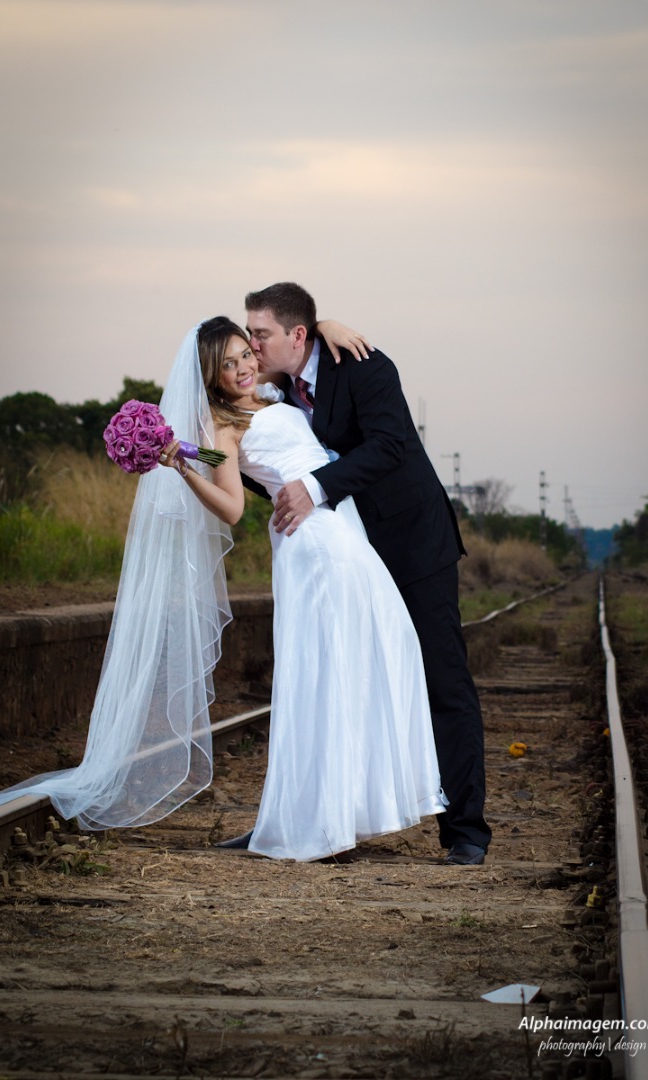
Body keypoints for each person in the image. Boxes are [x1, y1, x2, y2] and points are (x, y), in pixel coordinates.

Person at [161, 317, 446, 861]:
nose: (244, 366)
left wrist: (321, 323)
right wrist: (182, 466)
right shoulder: (223, 426)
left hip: (341, 527)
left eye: (246, 353)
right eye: (228, 364)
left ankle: (341, 806)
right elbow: (233, 502)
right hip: (312, 542)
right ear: (211, 377)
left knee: (375, 650)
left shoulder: (270, 398)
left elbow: (232, 460)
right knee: (324, 668)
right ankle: (316, 818)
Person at [243, 282, 491, 866]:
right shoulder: (269, 391)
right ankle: (309, 822)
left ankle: (465, 831)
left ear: (297, 335)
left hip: (410, 542)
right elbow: (240, 465)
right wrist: (176, 453)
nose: (252, 346)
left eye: (261, 334)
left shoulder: (362, 364)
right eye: (248, 334)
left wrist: (316, 488)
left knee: (441, 679)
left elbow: (391, 446)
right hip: (341, 558)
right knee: (326, 684)